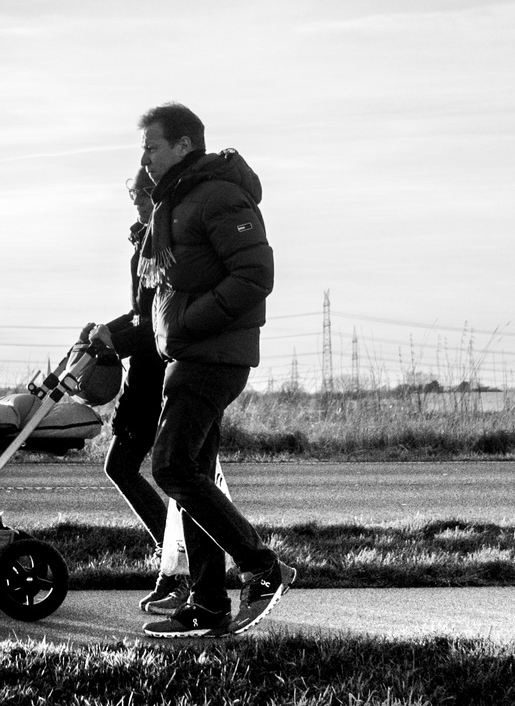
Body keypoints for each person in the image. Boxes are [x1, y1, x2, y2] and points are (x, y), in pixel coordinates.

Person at [133, 101, 295, 639]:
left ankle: (263, 568)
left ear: (184, 144)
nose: (146, 157)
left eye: (152, 146)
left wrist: (190, 326)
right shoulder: (173, 205)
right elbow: (162, 292)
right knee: (191, 477)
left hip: (213, 355)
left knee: (172, 467)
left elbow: (255, 274)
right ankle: (207, 603)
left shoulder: (218, 194)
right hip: (186, 355)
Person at [90, 168, 182, 615]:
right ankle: (176, 569)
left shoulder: (162, 248)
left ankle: (177, 569)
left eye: (142, 200)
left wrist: (116, 339)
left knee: (127, 465)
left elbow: (153, 327)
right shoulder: (145, 246)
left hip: (156, 375)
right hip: (145, 372)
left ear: (156, 199)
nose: (138, 207)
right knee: (130, 467)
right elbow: (137, 315)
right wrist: (104, 332)